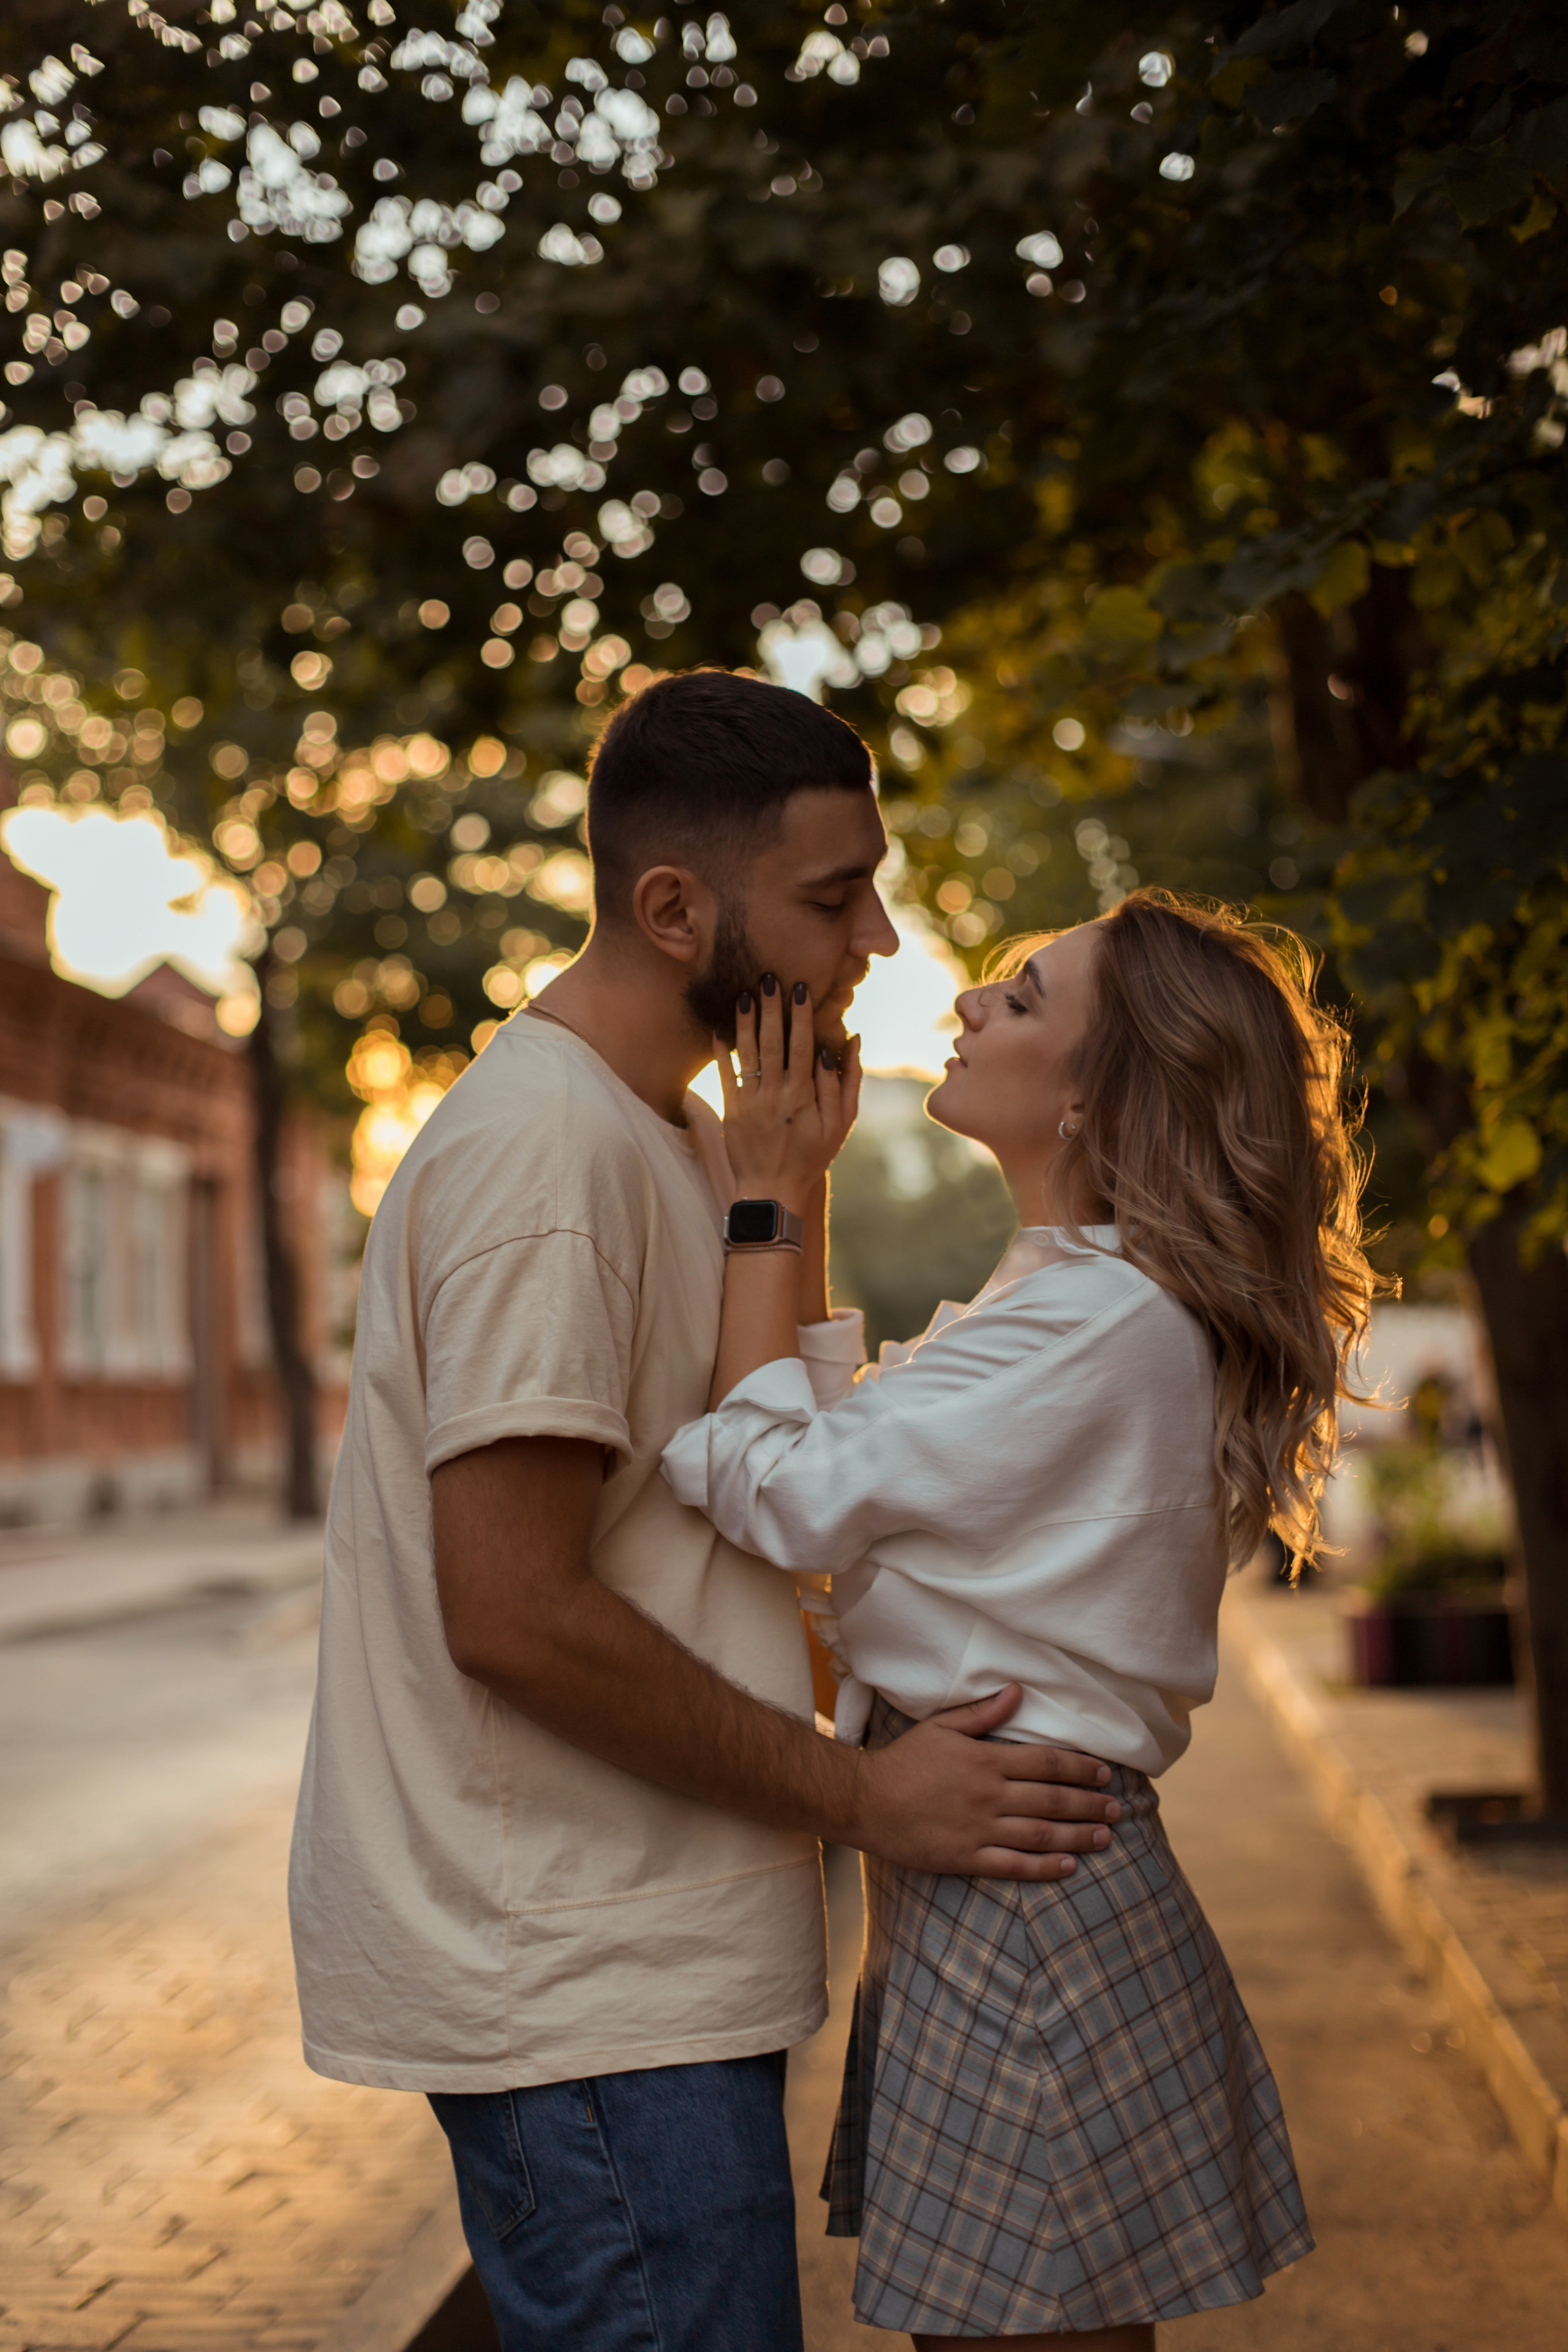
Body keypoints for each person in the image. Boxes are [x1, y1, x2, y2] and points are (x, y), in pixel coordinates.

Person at [288, 669, 1120, 2352]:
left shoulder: (676, 1140)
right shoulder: (554, 1163)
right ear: (674, 909)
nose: (880, 942)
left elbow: (768, 1492)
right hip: (584, 1992)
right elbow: (510, 1605)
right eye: (833, 898)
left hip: (638, 1962)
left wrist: (786, 1195)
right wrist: (865, 1797)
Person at [665, 890, 1378, 2347]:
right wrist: (793, 1192)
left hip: (1022, 1900)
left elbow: (780, 1489)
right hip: (1002, 1873)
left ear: (1106, 1088)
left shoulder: (1101, 1323)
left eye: (1025, 997)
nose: (972, 1005)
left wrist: (763, 1199)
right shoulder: (1066, 1303)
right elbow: (826, 1467)